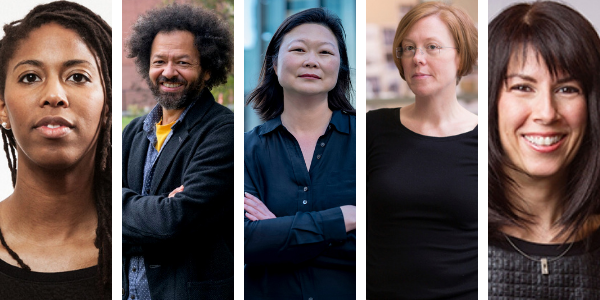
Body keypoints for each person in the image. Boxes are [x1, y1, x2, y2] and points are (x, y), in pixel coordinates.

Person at [488, 2, 600, 298]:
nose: (547, 113)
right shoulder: (453, 227)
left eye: (567, 89)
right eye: (523, 87)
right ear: (492, 103)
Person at [0, 1, 112, 299]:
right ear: (2, 108)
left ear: (107, 105)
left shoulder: (135, 243)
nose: (54, 95)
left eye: (78, 76)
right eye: (30, 77)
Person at [366, 2, 478, 299]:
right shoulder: (373, 127)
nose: (418, 58)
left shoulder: (487, 140)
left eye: (432, 47)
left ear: (461, 56)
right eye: (408, 48)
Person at [122, 4, 234, 300]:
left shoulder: (224, 131)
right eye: (159, 61)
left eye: (183, 63)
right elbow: (96, 216)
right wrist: (157, 209)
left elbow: (176, 221)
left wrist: (118, 204)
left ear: (208, 69)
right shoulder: (133, 132)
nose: (168, 72)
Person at [244, 7, 356, 300]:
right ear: (274, 64)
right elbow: (246, 242)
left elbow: (386, 239)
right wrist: (344, 219)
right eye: (298, 49)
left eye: (325, 52)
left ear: (340, 66)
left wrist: (278, 232)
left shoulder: (368, 140)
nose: (311, 61)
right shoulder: (246, 149)